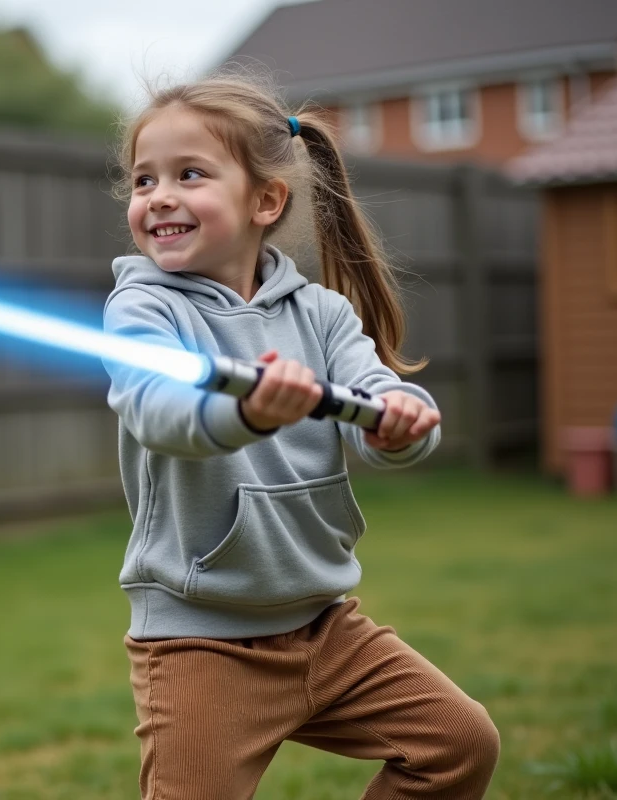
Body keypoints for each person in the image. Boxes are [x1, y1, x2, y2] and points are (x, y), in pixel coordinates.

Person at [101, 71, 500, 800]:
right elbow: (157, 411)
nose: (158, 196)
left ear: (266, 200)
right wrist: (248, 413)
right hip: (200, 643)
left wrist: (400, 424)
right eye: (143, 179)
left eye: (189, 174)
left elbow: (377, 397)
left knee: (457, 743)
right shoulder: (143, 312)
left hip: (327, 630)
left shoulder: (319, 314)